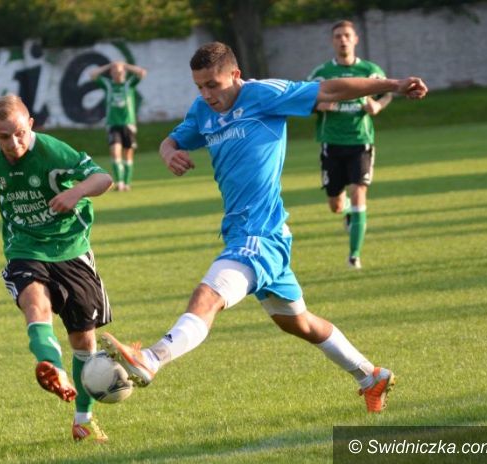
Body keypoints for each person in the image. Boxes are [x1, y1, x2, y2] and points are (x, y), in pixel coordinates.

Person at [100, 42, 427, 414]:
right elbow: (172, 138)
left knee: (207, 295)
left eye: (213, 84)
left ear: (235, 75)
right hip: (246, 232)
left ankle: (152, 358)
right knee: (298, 323)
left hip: (260, 234)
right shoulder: (203, 110)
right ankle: (371, 376)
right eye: (199, 86)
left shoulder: (265, 95)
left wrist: (393, 85)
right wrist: (169, 152)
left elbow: (330, 89)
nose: (206, 94)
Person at [0, 95, 113, 442]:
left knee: (83, 339)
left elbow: (103, 179)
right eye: (4, 136)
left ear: (30, 124)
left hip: (71, 248)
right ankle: (52, 365)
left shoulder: (53, 152)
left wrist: (76, 193)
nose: (14, 143)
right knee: (35, 303)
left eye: (20, 133)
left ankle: (83, 419)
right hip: (24, 247)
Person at [307, 20, 393, 269]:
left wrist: (377, 105)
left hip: (360, 141)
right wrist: (318, 105)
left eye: (347, 35)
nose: (342, 40)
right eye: (338, 36)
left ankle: (354, 256)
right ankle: (346, 212)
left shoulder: (369, 70)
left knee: (358, 191)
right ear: (332, 41)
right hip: (331, 143)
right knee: (335, 205)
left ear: (355, 39)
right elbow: (302, 99)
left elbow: (387, 92)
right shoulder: (322, 73)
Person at [90, 60, 147, 191]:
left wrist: (125, 65)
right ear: (111, 73)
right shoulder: (108, 85)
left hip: (128, 125)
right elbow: (93, 75)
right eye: (115, 71)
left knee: (128, 154)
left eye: (120, 71)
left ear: (124, 73)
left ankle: (127, 183)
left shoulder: (129, 84)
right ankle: (119, 182)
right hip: (113, 125)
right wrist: (109, 65)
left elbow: (142, 73)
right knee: (115, 152)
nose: (118, 74)